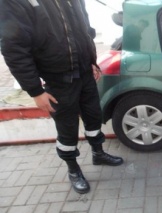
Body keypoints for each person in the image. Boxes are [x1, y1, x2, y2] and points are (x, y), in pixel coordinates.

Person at [0, 0, 124, 194]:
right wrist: (36, 91)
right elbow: (14, 49)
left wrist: (92, 61)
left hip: (85, 74)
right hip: (58, 81)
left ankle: (98, 154)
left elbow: (85, 30)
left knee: (93, 117)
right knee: (67, 128)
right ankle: (73, 169)